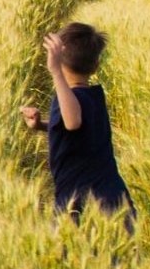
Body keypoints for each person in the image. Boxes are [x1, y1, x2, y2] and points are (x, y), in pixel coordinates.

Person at [20, 23, 134, 230]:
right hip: (112, 196)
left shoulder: (75, 98)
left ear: (58, 62)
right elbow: (78, 129)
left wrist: (56, 73)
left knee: (70, 257)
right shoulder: (89, 98)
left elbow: (73, 123)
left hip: (84, 202)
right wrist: (41, 125)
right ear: (96, 65)